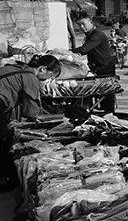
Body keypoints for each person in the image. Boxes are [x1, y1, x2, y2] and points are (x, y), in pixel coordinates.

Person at [0, 55, 62, 187]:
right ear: (43, 69)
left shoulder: (20, 68)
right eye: (50, 75)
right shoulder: (30, 77)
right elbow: (31, 111)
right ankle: (4, 179)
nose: (48, 79)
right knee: (3, 140)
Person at [72, 14, 117, 112]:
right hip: (97, 67)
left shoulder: (97, 35)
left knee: (107, 93)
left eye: (83, 24)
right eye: (79, 25)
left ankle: (109, 114)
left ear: (91, 23)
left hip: (106, 67)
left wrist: (68, 52)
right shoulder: (90, 35)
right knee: (97, 91)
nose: (82, 27)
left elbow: (84, 49)